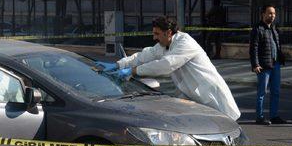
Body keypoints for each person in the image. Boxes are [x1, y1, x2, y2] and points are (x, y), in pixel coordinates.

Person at [96, 16, 241, 121]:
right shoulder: (164, 45)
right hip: (193, 98)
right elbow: (143, 56)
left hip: (211, 97)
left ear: (169, 33)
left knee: (223, 134)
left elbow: (166, 65)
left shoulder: (185, 43)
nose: (154, 38)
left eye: (157, 34)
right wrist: (118, 64)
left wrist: (133, 71)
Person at [249, 5, 286, 125]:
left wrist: (281, 58)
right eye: (270, 13)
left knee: (276, 92)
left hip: (275, 65)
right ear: (263, 14)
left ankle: (274, 116)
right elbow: (253, 48)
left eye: (274, 13)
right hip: (264, 66)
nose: (272, 16)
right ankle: (259, 117)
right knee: (262, 92)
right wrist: (255, 64)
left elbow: (277, 46)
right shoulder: (258, 29)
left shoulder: (274, 29)